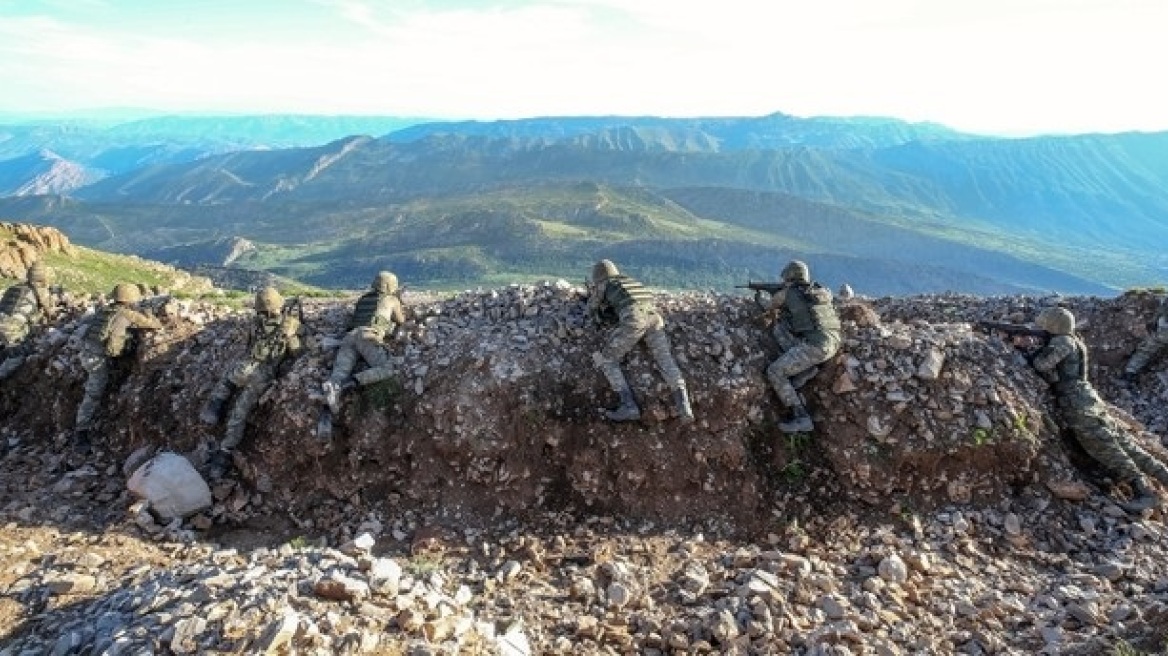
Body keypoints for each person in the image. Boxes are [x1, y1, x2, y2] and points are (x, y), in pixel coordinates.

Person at [1031, 306, 1167, 513]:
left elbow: (1041, 365)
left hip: (1077, 404)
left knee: (1104, 448)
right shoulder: (1074, 340)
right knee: (1126, 445)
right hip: (1088, 398)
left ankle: (1144, 492)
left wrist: (1029, 351)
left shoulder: (1062, 342)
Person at [200, 286, 303, 474]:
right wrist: (294, 336)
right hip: (263, 374)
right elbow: (296, 352)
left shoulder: (255, 323)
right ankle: (224, 454)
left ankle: (215, 405)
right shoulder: (288, 324)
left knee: (227, 380)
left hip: (245, 367)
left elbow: (248, 345)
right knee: (240, 412)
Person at [586, 259, 693, 424]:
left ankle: (628, 406)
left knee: (607, 360)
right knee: (665, 359)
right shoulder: (630, 282)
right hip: (654, 319)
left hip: (634, 321)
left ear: (598, 276)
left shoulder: (605, 283)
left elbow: (591, 309)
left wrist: (592, 301)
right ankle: (684, 406)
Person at [74, 283, 162, 450]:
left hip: (86, 353)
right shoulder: (128, 314)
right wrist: (147, 312)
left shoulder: (105, 311)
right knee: (93, 394)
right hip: (96, 360)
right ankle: (81, 432)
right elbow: (154, 325)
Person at [764, 260, 841, 433]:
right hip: (833, 343)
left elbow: (767, 307)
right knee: (780, 330)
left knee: (775, 371)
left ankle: (801, 416)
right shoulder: (819, 292)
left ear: (789, 276)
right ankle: (807, 370)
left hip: (815, 347)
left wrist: (771, 298)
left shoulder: (788, 293)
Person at [322, 271, 406, 414]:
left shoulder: (363, 299)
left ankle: (333, 387)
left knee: (340, 372)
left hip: (350, 337)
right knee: (388, 368)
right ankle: (352, 382)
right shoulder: (391, 299)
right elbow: (401, 320)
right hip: (367, 336)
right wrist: (399, 301)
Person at [0, 261, 57, 380]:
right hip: (11, 328)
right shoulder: (40, 291)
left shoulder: (14, 287)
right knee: (19, 353)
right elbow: (50, 313)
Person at [1124, 294, 1168, 381]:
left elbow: (1162, 309)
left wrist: (1153, 321)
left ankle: (1130, 371)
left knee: (1147, 349)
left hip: (1164, 329)